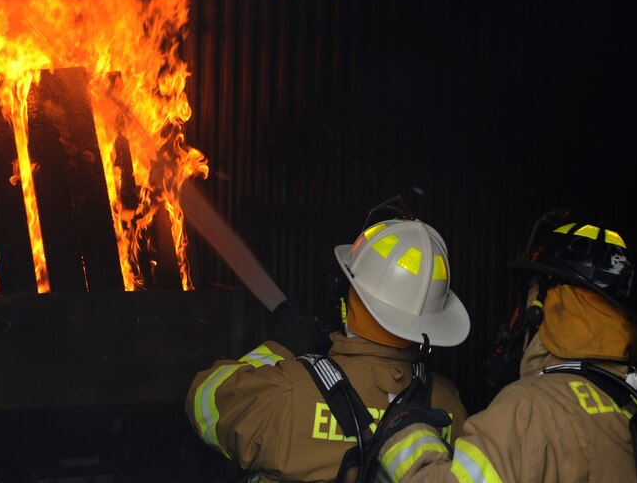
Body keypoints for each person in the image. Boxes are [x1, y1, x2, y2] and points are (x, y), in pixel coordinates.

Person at [371, 209, 637, 483]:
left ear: (550, 302)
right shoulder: (635, 401)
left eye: (532, 290)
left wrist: (407, 433)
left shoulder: (530, 409)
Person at [185, 202, 472, 483]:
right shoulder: (448, 405)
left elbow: (205, 401)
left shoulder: (287, 392)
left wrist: (281, 346)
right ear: (429, 323)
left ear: (349, 302)